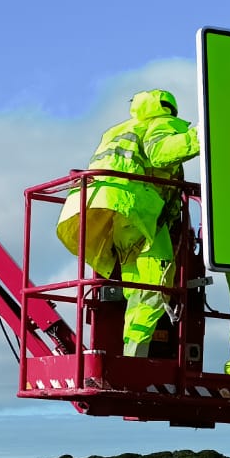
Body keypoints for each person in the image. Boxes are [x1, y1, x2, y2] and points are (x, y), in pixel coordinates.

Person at [56, 89, 199, 357]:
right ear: (169, 108)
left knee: (137, 285)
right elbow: (161, 153)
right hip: (136, 205)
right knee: (157, 283)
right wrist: (200, 136)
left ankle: (133, 351)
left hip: (111, 208)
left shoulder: (119, 129)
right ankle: (136, 354)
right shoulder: (161, 122)